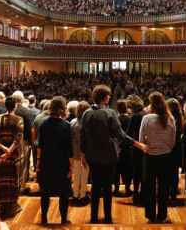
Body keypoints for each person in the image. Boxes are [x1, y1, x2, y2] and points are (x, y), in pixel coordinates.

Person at [81, 85, 145, 224]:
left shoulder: (86, 113)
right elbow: (121, 135)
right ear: (105, 98)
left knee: (96, 187)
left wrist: (83, 154)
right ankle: (108, 217)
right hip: (109, 155)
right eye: (108, 96)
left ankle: (93, 217)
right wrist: (137, 143)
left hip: (92, 155)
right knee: (107, 187)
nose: (109, 98)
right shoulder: (110, 113)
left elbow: (83, 136)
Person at [139, 91, 176, 224]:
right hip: (166, 156)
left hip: (150, 156)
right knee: (164, 187)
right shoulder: (170, 118)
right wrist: (165, 149)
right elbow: (173, 140)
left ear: (151, 104)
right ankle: (162, 215)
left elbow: (141, 139)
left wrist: (150, 146)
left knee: (149, 187)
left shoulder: (147, 118)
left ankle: (150, 215)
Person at [37, 96, 73, 225]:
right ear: (62, 109)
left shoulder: (43, 124)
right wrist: (71, 167)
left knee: (45, 193)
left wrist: (38, 163)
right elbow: (69, 149)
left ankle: (44, 218)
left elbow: (40, 146)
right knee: (63, 193)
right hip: (62, 163)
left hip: (46, 162)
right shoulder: (66, 126)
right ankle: (63, 219)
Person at [0, 97, 24, 219]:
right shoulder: (19, 119)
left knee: (0, 178)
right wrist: (9, 150)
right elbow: (18, 138)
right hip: (13, 154)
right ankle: (12, 205)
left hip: (0, 153)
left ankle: (0, 204)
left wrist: (2, 148)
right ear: (15, 106)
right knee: (13, 178)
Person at [126, 95, 146, 204]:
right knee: (144, 172)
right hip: (146, 146)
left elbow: (128, 133)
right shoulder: (146, 114)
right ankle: (143, 194)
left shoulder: (135, 117)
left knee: (136, 172)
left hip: (137, 146)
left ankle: (136, 195)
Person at [70, 101, 90, 204]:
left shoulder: (73, 122)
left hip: (75, 152)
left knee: (76, 175)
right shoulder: (88, 123)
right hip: (85, 153)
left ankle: (75, 195)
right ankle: (82, 196)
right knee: (84, 176)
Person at [166, 98, 183, 202]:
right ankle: (173, 194)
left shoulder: (167, 118)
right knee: (174, 172)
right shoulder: (181, 118)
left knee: (166, 171)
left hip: (167, 147)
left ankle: (167, 193)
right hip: (177, 147)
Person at [114, 99, 132, 196]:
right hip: (127, 147)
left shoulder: (115, 118)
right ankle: (127, 189)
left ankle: (116, 189)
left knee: (117, 170)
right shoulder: (129, 119)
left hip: (117, 147)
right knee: (127, 170)